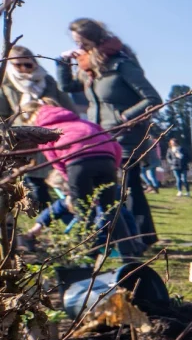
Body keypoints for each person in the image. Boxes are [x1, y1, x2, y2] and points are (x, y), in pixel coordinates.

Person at [57, 18, 162, 246]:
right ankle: (126, 238)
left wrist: (124, 117)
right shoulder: (88, 71)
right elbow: (68, 88)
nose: (80, 48)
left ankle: (139, 239)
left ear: (95, 40)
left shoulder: (122, 65)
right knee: (111, 190)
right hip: (100, 137)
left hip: (126, 136)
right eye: (76, 43)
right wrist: (62, 64)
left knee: (128, 187)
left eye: (83, 43)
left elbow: (153, 99)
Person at [19, 100, 143, 258]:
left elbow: (55, 160)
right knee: (110, 209)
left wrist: (70, 181)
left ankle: (86, 253)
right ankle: (128, 251)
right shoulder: (82, 122)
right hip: (106, 160)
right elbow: (115, 146)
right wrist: (114, 167)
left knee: (83, 212)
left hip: (77, 163)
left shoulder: (46, 131)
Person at [1, 45, 76, 212]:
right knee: (35, 184)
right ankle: (45, 223)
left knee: (59, 182)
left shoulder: (48, 80)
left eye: (28, 64)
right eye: (18, 65)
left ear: (34, 62)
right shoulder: (6, 83)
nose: (24, 69)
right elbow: (3, 115)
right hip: (26, 139)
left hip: (53, 137)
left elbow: (69, 108)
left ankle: (59, 219)